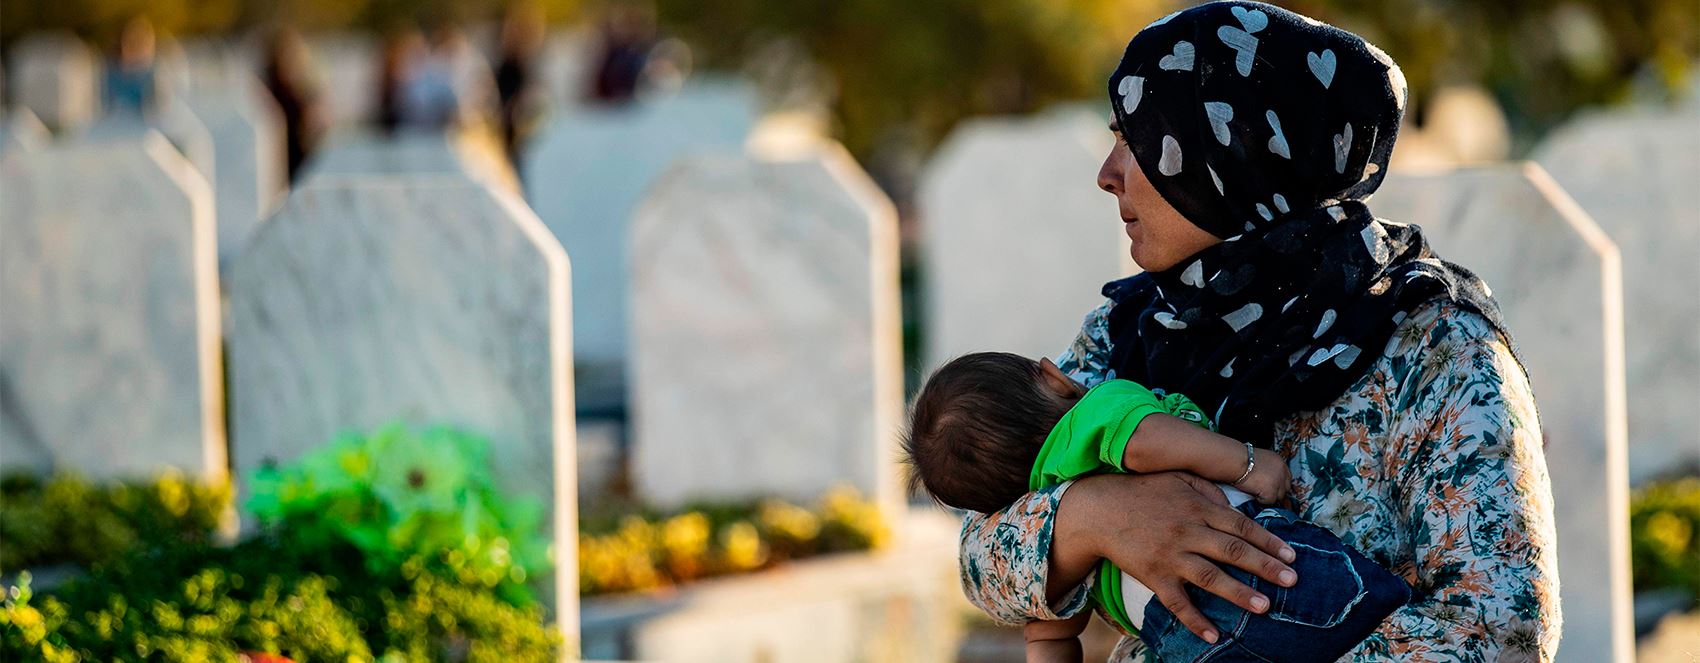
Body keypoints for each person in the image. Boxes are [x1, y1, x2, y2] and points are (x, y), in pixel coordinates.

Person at [954, 2, 1562, 661]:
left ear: (1235, 149)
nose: (1107, 173)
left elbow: (1499, 634)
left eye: (1139, 138)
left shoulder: (1436, 346)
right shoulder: (1135, 327)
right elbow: (979, 554)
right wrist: (1094, 519)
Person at [906, 352, 1409, 662]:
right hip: (1250, 567)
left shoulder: (1036, 517)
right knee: (1368, 605)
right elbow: (1145, 441)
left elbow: (1048, 638)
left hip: (1180, 635)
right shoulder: (1094, 409)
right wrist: (1249, 464)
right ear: (1054, 377)